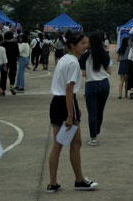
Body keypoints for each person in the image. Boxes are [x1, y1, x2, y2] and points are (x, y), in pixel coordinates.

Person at [45, 30, 98, 193]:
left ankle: (52, 183)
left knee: (57, 145)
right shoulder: (74, 63)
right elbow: (69, 89)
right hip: (66, 102)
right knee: (76, 143)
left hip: (56, 102)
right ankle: (79, 180)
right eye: (82, 43)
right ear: (73, 45)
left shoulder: (63, 59)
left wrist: (75, 107)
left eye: (86, 43)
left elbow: (66, 88)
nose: (86, 46)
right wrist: (70, 114)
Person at [79, 32, 111, 146]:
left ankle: (93, 137)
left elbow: (83, 73)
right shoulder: (105, 55)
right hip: (104, 84)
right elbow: (109, 71)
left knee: (92, 112)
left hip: (91, 85)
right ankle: (96, 130)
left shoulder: (85, 56)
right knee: (100, 111)